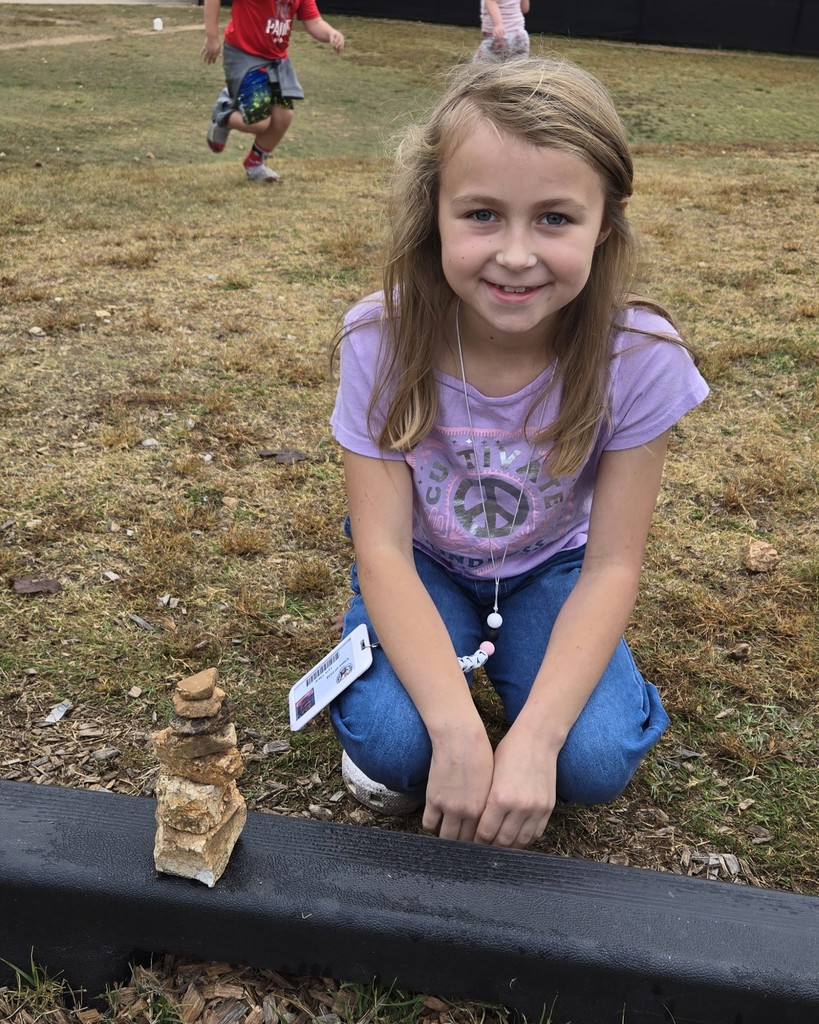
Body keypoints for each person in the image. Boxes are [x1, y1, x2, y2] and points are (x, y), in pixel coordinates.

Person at [329, 57, 709, 850]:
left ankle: (550, 690)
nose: (513, 254)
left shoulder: (640, 357)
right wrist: (458, 733)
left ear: (605, 221)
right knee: (399, 748)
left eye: (554, 219)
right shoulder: (379, 338)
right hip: (422, 562)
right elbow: (384, 549)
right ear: (432, 210)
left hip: (552, 569)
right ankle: (388, 681)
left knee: (594, 760)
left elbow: (611, 565)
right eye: (480, 214)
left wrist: (532, 741)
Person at [201, 0, 344, 183]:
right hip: (244, 56)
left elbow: (314, 22)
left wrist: (332, 33)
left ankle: (255, 163)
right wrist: (212, 36)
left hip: (276, 60)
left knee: (284, 115)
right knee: (259, 123)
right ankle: (224, 111)